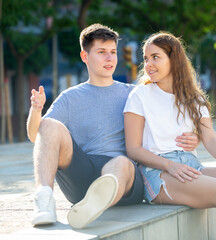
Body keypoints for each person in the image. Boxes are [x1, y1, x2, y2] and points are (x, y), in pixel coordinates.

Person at [27, 24, 199, 229]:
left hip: (126, 178)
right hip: (83, 175)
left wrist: (195, 136)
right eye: (101, 52)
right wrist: (36, 111)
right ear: (85, 56)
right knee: (49, 124)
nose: (110, 58)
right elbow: (36, 137)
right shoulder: (69, 98)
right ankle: (44, 200)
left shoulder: (135, 93)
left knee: (121, 162)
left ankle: (98, 202)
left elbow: (166, 122)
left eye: (113, 52)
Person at [123, 32, 216, 240]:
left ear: (174, 59)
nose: (148, 64)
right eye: (145, 58)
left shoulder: (194, 97)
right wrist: (169, 165)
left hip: (190, 166)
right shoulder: (139, 96)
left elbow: (210, 138)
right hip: (158, 174)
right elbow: (133, 149)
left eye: (155, 57)